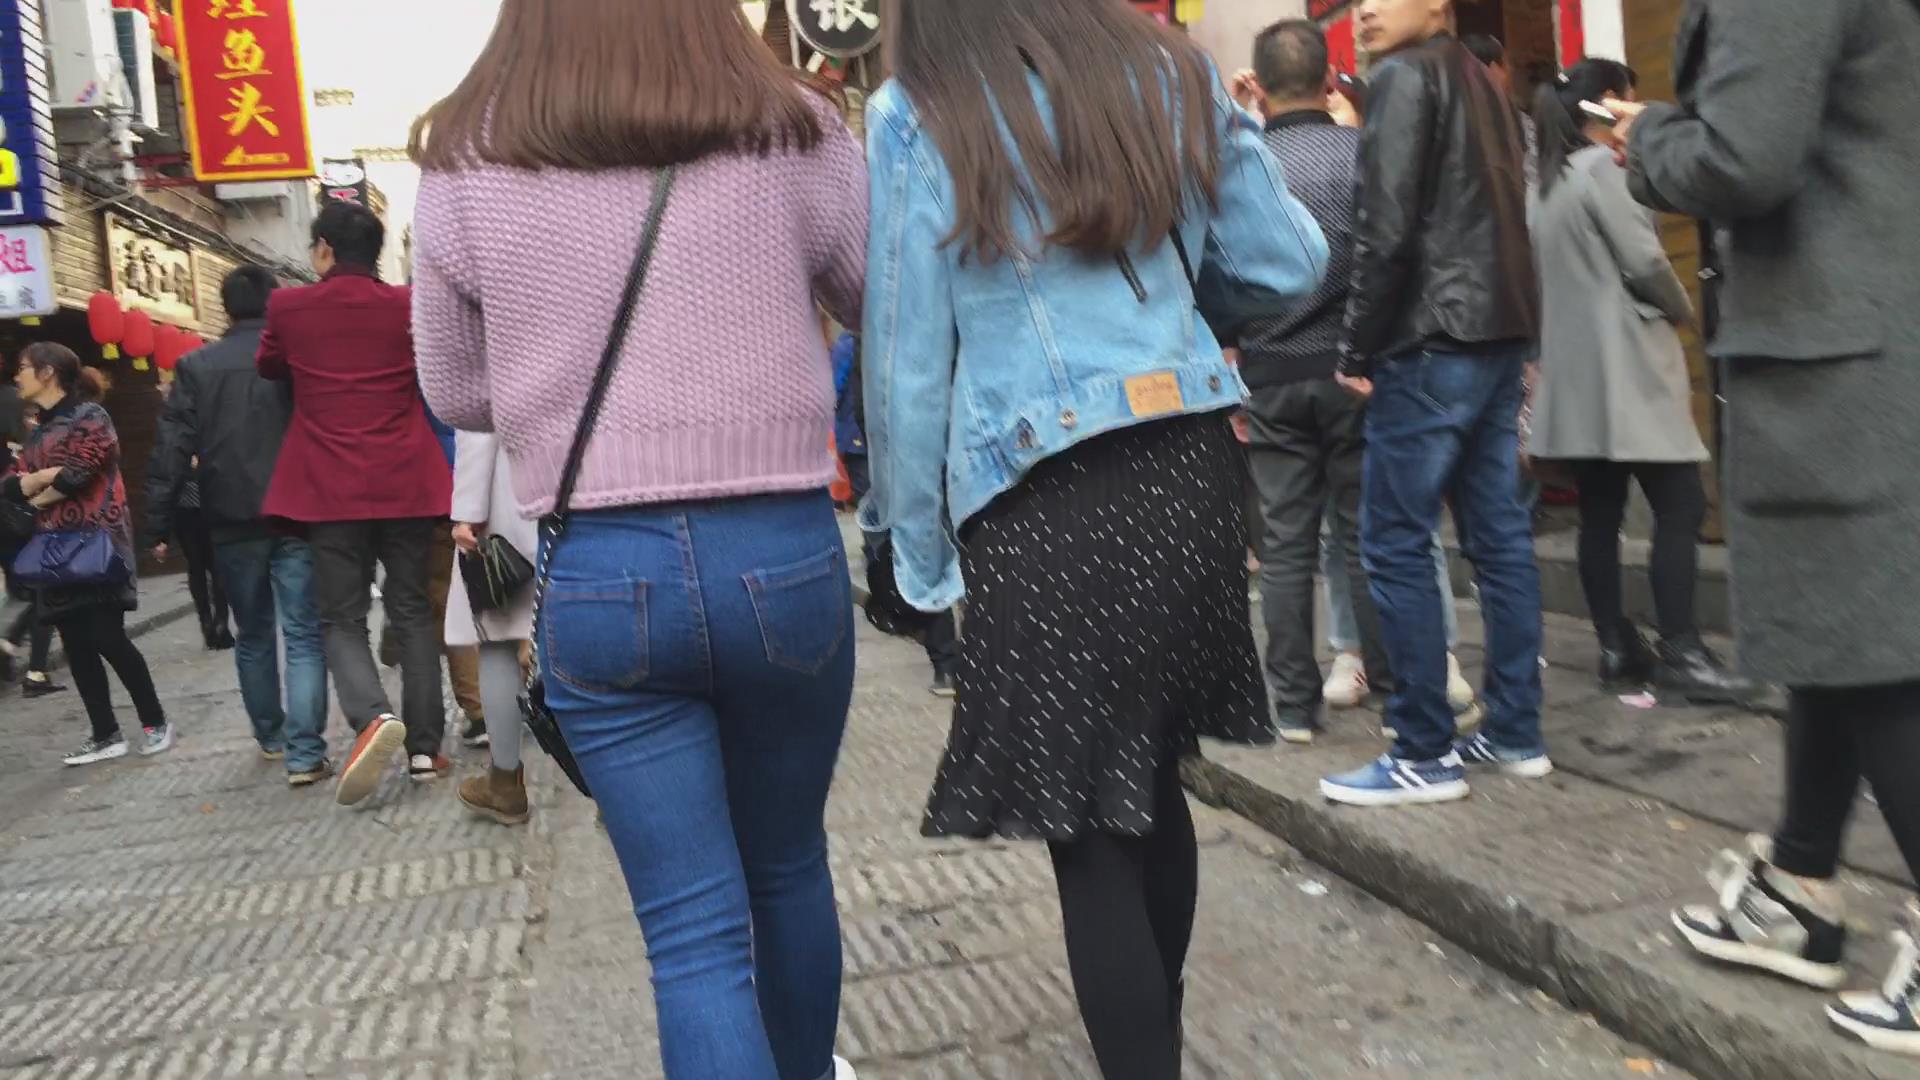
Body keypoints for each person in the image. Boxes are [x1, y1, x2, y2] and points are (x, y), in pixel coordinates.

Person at [866, 1, 1328, 1074]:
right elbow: (1289, 264)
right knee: (1151, 776)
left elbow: (905, 361)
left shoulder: (918, 106)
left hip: (1045, 492)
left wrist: (910, 550)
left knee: (1086, 825)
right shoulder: (1170, 70)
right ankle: (1156, 1041)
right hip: (1190, 468)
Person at [409, 1, 865, 1076]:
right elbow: (872, 293)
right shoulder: (794, 122)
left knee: (692, 935)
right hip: (781, 549)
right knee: (788, 868)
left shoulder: (465, 152)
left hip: (602, 566)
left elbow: (455, 388)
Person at [1614, 0, 1920, 1052]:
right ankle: (1799, 883)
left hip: (1839, 356)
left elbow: (1743, 158)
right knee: (1838, 633)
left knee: (1874, 655)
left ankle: (1801, 888)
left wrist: (1647, 137)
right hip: (1862, 340)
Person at [1320, 0, 1546, 807]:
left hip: (1431, 336)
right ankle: (1515, 729)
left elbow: (1384, 228)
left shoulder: (1404, 78)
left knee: (1393, 540)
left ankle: (1423, 749)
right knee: (1500, 537)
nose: (1365, 10)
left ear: (1439, 6)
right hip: (1496, 329)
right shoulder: (1482, 82)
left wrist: (1356, 346)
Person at [1524, 60, 1751, 704]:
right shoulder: (1605, 169)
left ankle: (1615, 646)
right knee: (1682, 504)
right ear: (1606, 104)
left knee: (1600, 515)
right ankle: (1681, 647)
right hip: (1630, 363)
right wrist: (1685, 310)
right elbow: (1646, 259)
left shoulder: (1544, 183)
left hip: (1577, 374)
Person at [258, 202, 453, 803]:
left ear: (322, 248)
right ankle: (425, 750)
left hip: (328, 485)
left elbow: (269, 365)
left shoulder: (288, 306)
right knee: (412, 610)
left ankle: (373, 718)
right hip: (406, 478)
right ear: (376, 251)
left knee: (341, 617)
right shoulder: (408, 305)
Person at [148, 265, 331, 786]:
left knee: (252, 633)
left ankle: (271, 737)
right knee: (303, 634)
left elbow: (171, 448)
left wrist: (157, 522)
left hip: (229, 517)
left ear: (225, 307)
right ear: (273, 303)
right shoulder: (292, 360)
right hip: (295, 513)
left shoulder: (195, 366)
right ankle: (305, 754)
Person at [3, 344, 170, 764]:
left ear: (48, 372)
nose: (16, 376)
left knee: (108, 637)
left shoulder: (91, 416)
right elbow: (11, 484)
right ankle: (105, 734)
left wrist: (36, 492)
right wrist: (40, 480)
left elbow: (77, 474)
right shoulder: (36, 429)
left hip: (98, 545)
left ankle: (155, 722)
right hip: (53, 549)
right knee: (75, 642)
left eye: (22, 368)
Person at [834, 329, 961, 697]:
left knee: (911, 547)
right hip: (928, 447)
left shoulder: (865, 334)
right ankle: (954, 653)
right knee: (937, 542)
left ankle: (946, 658)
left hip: (893, 453)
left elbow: (852, 394)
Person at [445, 431, 533, 825]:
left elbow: (478, 425)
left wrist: (467, 510)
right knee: (581, 629)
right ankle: (608, 787)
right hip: (583, 493)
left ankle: (505, 782)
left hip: (511, 498)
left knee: (498, 638)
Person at [1461, 33, 1538, 192]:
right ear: (1493, 70)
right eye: (1507, 64)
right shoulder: (1512, 121)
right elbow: (1533, 182)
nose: (1510, 73)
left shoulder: (1452, 121)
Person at [170, 461, 232, 651]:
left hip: (186, 508)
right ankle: (219, 622)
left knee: (197, 566)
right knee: (215, 565)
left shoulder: (175, 444)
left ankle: (209, 621)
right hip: (207, 506)